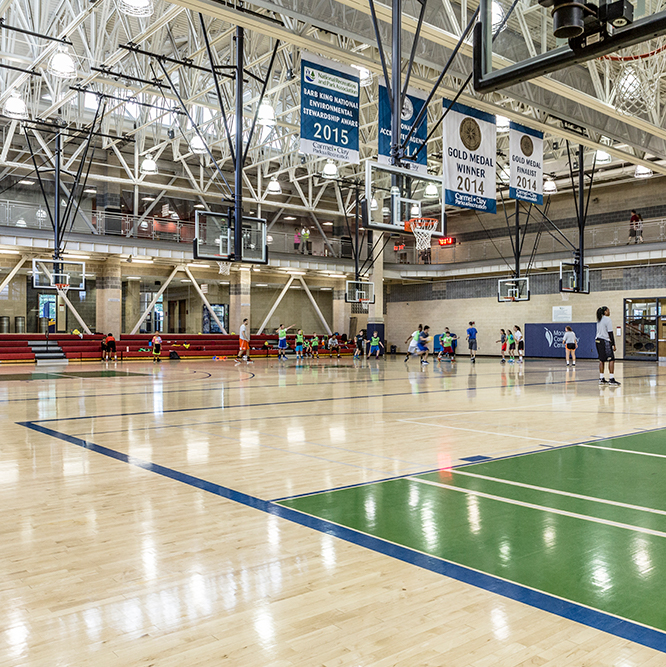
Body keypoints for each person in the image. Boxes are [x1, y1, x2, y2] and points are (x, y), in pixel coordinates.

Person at [596, 306, 620, 385]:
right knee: (611, 360)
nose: (609, 312)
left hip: (597, 340)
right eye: (608, 310)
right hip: (605, 341)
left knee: (601, 360)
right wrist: (613, 344)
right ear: (605, 312)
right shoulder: (607, 319)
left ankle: (601, 378)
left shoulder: (599, 319)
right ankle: (611, 379)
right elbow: (610, 332)